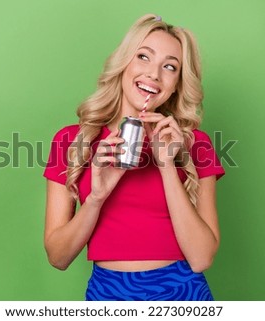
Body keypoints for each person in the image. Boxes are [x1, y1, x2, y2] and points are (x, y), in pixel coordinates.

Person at [43, 14, 225, 301]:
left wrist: (166, 165)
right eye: (143, 56)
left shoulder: (194, 144)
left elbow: (202, 258)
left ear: (177, 84)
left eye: (169, 67)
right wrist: (96, 198)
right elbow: (58, 257)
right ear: (124, 63)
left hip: (182, 291)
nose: (154, 74)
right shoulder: (71, 141)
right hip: (108, 293)